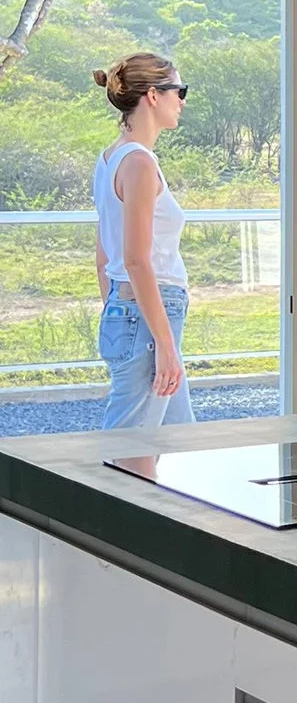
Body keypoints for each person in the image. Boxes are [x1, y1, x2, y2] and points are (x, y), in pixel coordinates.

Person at [92, 52, 195, 429]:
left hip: (135, 311)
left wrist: (116, 309)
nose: (182, 101)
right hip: (150, 315)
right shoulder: (138, 163)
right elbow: (135, 259)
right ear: (153, 95)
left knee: (180, 441)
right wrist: (163, 344)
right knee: (130, 450)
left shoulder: (111, 158)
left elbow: (105, 256)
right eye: (178, 90)